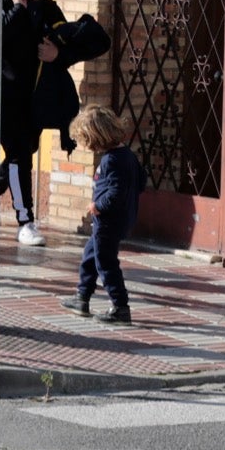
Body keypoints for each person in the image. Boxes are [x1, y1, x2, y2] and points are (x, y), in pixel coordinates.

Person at [0, 0, 109, 248]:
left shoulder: (49, 8)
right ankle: (26, 222)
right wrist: (19, 11)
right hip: (3, 97)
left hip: (34, 99)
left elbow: (68, 43)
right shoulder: (3, 1)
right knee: (20, 154)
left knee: (25, 150)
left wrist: (59, 55)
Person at [59, 106, 144, 325]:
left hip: (108, 221)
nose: (85, 146)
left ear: (96, 138)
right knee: (90, 256)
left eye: (85, 141)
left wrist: (98, 205)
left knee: (105, 263)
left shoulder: (112, 160)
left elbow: (115, 192)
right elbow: (140, 182)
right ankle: (82, 297)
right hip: (116, 220)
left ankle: (120, 307)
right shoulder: (127, 156)